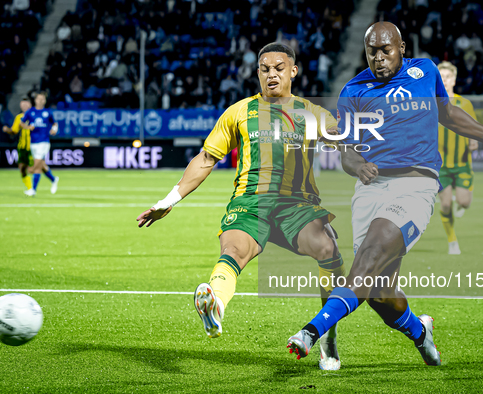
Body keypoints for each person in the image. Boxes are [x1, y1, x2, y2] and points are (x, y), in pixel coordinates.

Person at [287, 22, 483, 366]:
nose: (378, 58)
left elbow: (448, 114)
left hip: (416, 184)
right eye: (371, 51)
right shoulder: (354, 90)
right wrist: (357, 166)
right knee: (379, 295)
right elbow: (346, 151)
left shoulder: (425, 72)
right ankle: (420, 331)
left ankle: (311, 332)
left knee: (369, 257)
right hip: (370, 188)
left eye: (385, 50)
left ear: (401, 48)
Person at [137, 43, 347, 371]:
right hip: (250, 203)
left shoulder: (311, 112)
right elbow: (207, 158)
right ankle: (215, 305)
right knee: (233, 252)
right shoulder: (239, 112)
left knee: (328, 248)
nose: (271, 74)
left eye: (279, 68)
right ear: (257, 73)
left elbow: (346, 142)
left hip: (296, 205)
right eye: (264, 69)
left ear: (293, 71)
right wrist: (169, 201)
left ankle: (328, 337)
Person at [437, 61, 479, 255]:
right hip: (440, 166)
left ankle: (460, 200)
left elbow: (473, 129)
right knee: (445, 205)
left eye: (448, 77)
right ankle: (452, 240)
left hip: (462, 163)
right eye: (441, 77)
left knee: (464, 203)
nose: (445, 80)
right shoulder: (430, 104)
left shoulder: (465, 104)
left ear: (454, 79)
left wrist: (474, 141)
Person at [20, 92, 59, 196]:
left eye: (43, 99)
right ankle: (54, 179)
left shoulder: (48, 112)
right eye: (39, 99)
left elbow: (55, 123)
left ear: (45, 101)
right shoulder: (30, 112)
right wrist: (28, 127)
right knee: (41, 166)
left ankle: (33, 190)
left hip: (44, 142)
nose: (41, 101)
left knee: (35, 166)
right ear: (35, 100)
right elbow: (22, 123)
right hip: (33, 142)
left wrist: (54, 129)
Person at [3, 96, 34, 196]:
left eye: (26, 103)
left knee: (34, 168)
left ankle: (37, 185)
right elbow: (14, 131)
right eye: (22, 104)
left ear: (30, 104)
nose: (24, 105)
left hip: (33, 146)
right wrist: (8, 130)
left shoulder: (35, 115)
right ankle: (30, 188)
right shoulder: (18, 117)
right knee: (22, 167)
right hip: (22, 146)